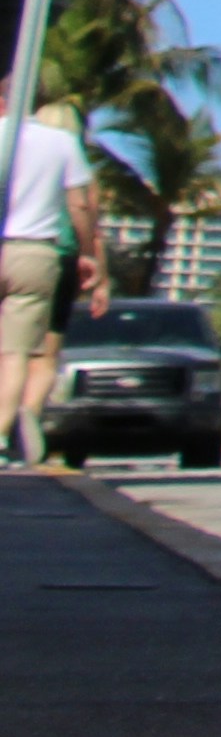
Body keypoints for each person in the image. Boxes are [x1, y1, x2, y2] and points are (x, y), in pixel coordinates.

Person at [1, 95, 102, 467]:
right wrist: (87, 252)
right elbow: (80, 204)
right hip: (35, 251)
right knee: (15, 353)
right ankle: (2, 435)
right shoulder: (61, 142)